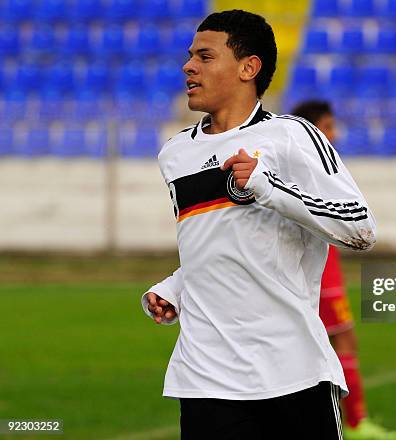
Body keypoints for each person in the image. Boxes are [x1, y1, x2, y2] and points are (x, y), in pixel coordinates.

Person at [140, 10, 376, 440]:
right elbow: (218, 242)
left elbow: (359, 228)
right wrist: (175, 287)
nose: (188, 66)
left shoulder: (292, 136)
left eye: (205, 56)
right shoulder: (174, 155)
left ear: (249, 68)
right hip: (204, 378)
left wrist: (270, 189)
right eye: (190, 56)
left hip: (292, 373)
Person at [291, 100, 396, 440]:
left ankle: (347, 418)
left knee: (334, 341)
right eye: (327, 126)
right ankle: (354, 423)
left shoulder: (317, 165)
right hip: (318, 270)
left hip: (326, 264)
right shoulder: (304, 167)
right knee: (341, 340)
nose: (334, 134)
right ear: (311, 129)